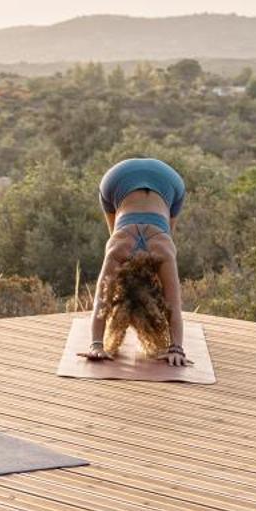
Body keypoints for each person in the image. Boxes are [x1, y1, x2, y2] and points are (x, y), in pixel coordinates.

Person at [82, 157, 190, 367]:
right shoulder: (155, 252)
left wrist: (97, 344)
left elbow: (102, 302)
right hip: (130, 178)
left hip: (124, 178)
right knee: (150, 236)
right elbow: (174, 307)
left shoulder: (124, 250)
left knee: (126, 236)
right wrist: (177, 349)